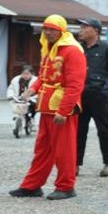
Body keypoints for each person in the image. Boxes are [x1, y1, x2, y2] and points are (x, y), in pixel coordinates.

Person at [10, 15, 87, 200]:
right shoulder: (48, 49)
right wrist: (32, 90)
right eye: (46, 29)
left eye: (52, 29)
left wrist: (64, 110)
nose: (48, 32)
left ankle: (66, 186)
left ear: (61, 31)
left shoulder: (73, 51)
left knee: (64, 151)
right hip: (46, 106)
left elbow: (76, 84)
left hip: (62, 108)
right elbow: (44, 78)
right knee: (42, 149)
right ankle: (32, 185)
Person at [75, 18, 108, 176]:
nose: (81, 30)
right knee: (78, 130)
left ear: (95, 30)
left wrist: (105, 92)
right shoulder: (78, 48)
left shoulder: (107, 48)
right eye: (80, 27)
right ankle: (75, 164)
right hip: (80, 95)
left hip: (98, 95)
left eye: (84, 27)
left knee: (103, 129)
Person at [7, 64, 37, 134]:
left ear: (32, 74)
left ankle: (30, 120)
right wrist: (11, 96)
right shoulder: (16, 80)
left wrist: (31, 97)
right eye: (24, 74)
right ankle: (18, 123)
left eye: (27, 74)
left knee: (31, 108)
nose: (25, 75)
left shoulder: (35, 80)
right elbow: (11, 89)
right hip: (19, 98)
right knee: (17, 109)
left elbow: (38, 91)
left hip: (31, 99)